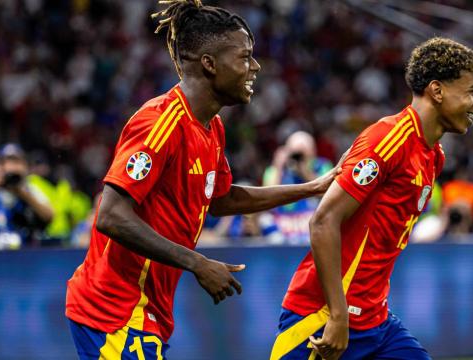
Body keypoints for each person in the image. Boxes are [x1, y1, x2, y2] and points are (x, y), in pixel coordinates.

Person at [65, 1, 341, 359]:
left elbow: (225, 199)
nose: (254, 66)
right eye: (244, 57)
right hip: (113, 311)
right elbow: (111, 215)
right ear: (210, 64)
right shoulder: (160, 122)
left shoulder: (211, 128)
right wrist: (197, 262)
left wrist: (314, 187)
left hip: (147, 312)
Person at [271, 37, 473, 360]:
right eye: (471, 90)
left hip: (376, 322)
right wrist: (338, 314)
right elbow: (323, 221)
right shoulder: (388, 138)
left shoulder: (433, 157)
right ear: (437, 90)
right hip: (322, 316)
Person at [0, 143, 54, 250]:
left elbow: (49, 216)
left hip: (22, 257)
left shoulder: (29, 188)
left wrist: (22, 192)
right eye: (8, 161)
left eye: (17, 162)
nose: (13, 167)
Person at [263, 131, 333, 244]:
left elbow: (325, 191)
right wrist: (278, 166)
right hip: (284, 220)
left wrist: (304, 171)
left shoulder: (323, 165)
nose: (298, 156)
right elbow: (268, 197)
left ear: (313, 151)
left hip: (310, 216)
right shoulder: (275, 170)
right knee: (265, 219)